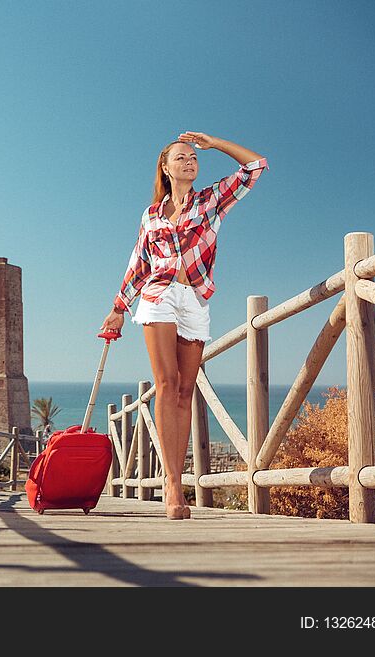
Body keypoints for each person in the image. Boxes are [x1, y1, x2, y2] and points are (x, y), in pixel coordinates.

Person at [100, 131, 268, 520]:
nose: (190, 161)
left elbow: (256, 165)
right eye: (181, 157)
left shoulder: (210, 201)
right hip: (158, 296)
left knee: (185, 391)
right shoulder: (152, 215)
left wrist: (216, 143)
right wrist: (118, 308)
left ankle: (176, 479)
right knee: (167, 384)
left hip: (194, 299)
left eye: (194, 156)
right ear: (165, 167)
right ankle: (174, 485)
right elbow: (139, 264)